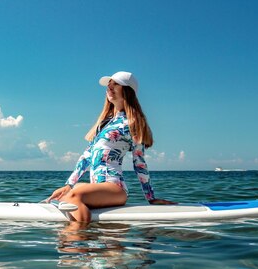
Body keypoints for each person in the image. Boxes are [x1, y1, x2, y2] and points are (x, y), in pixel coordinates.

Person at [48, 71, 174, 222]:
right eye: (109, 85)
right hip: (98, 187)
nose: (109, 88)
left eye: (116, 84)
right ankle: (84, 240)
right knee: (70, 194)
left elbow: (139, 163)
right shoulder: (104, 124)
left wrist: (151, 197)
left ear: (128, 90)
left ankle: (81, 238)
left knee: (72, 197)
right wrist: (68, 184)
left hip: (114, 187)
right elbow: (86, 158)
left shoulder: (133, 122)